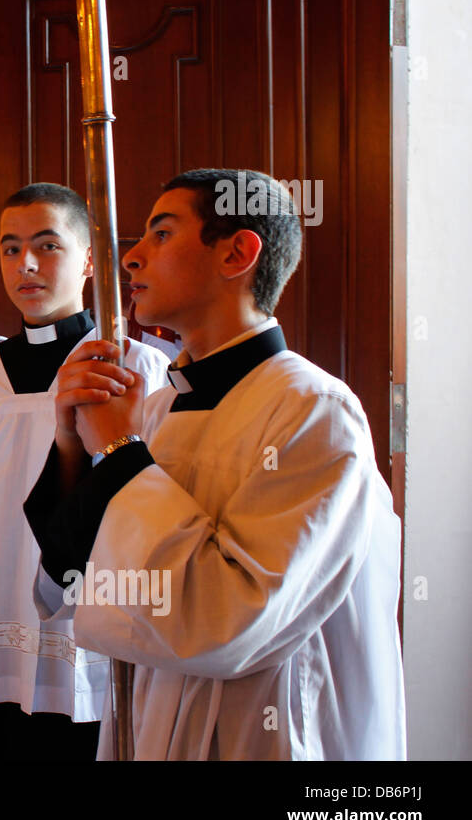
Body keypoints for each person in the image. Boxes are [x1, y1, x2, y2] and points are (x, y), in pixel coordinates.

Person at [25, 168, 406, 760]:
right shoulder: (155, 408)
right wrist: (73, 441)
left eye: (162, 234)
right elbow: (62, 584)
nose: (132, 260)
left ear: (237, 253)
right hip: (153, 718)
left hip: (262, 731)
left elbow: (228, 619)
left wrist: (122, 454)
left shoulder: (313, 412)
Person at [0, 183, 169, 760]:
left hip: (92, 620)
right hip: (2, 605)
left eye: (47, 246)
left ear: (89, 259)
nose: (25, 264)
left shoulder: (135, 367)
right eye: (9, 248)